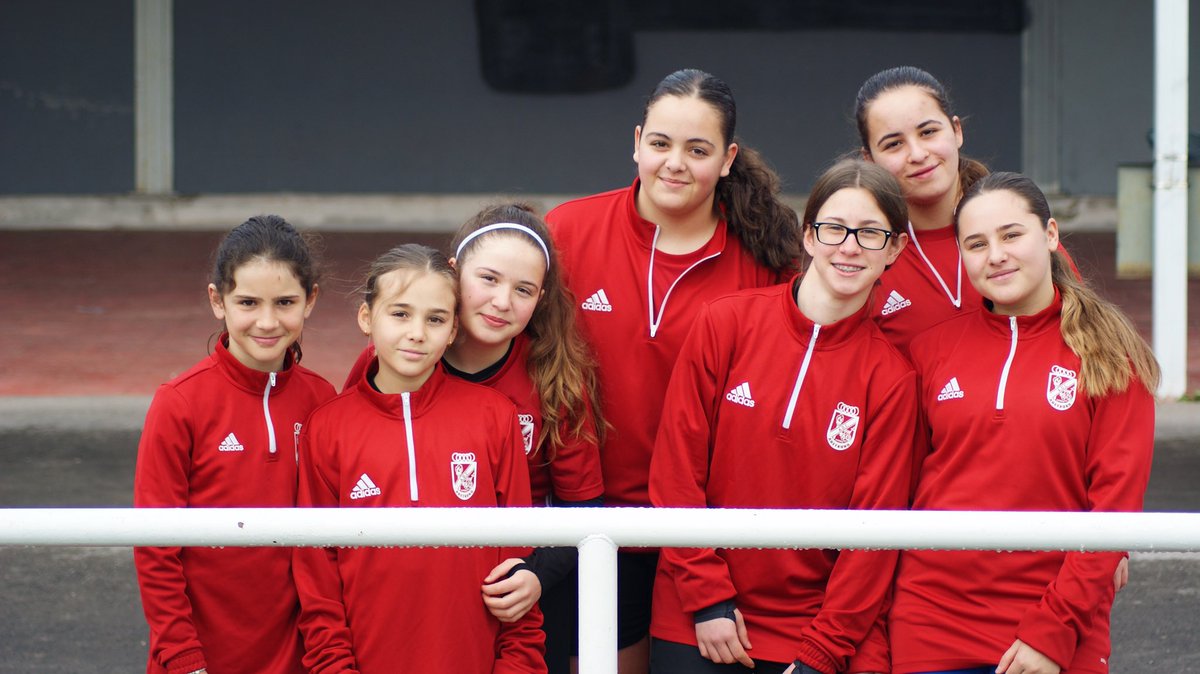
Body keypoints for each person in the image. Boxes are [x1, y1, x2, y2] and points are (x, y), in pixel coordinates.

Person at [545, 67, 803, 672]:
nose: (674, 163)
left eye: (698, 149)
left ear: (729, 158)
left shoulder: (765, 256)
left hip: (708, 528)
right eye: (660, 144)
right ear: (636, 141)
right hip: (594, 513)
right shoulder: (569, 231)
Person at [648, 159, 916, 674]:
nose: (850, 246)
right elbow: (675, 471)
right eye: (834, 228)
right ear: (809, 236)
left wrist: (823, 649)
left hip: (810, 629)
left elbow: (874, 536)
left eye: (870, 233)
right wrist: (706, 599)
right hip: (699, 613)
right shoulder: (726, 323)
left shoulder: (891, 378)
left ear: (896, 248)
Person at [889, 173, 1159, 674]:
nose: (996, 255)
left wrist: (1052, 630)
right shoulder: (930, 352)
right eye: (976, 243)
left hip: (1056, 621)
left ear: (1050, 235)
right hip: (930, 621)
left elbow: (1114, 510)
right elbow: (899, 492)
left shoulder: (1112, 355)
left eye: (1011, 234)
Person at [294, 243, 546, 673]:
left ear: (452, 331)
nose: (416, 332)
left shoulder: (494, 417)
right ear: (366, 318)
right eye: (400, 314)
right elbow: (317, 578)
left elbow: (515, 568)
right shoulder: (327, 428)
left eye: (435, 319)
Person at [133, 214, 336, 674]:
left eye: (285, 302)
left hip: (298, 658)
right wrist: (185, 658)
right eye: (248, 302)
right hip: (198, 659)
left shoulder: (322, 400)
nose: (267, 321)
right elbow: (154, 549)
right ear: (217, 301)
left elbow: (330, 549)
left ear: (311, 301)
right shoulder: (179, 403)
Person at [448, 205, 605, 674]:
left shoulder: (554, 378)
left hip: (517, 594)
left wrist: (537, 576)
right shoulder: (399, 359)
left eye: (522, 290)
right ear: (453, 273)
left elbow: (584, 510)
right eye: (489, 279)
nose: (501, 302)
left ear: (541, 298)